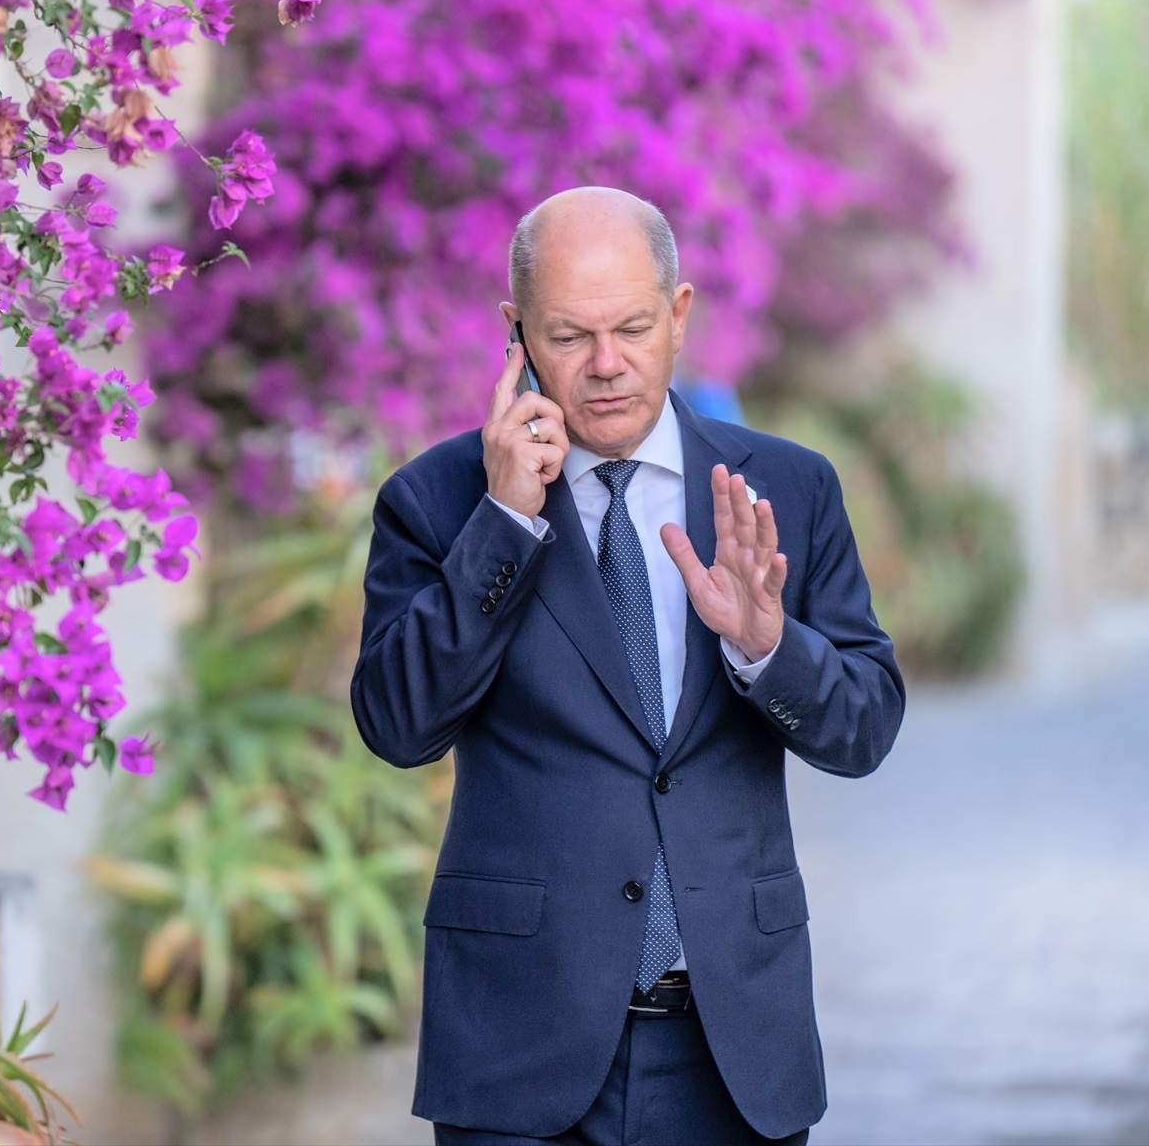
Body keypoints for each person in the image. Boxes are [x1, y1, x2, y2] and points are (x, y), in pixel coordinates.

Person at [349, 187, 905, 1145]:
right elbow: (398, 725)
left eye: (634, 328)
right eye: (568, 337)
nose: (607, 367)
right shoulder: (437, 500)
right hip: (518, 1048)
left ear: (680, 315)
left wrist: (766, 646)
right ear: (514, 333)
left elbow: (864, 730)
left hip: (733, 1052)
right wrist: (505, 525)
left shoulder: (788, 490)